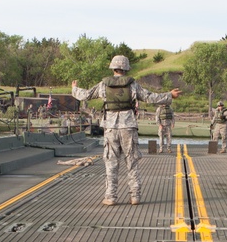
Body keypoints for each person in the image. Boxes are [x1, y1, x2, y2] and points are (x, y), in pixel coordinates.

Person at [72, 55, 181, 206]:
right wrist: (170, 95)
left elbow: (85, 95)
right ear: (126, 68)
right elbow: (150, 97)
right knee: (132, 161)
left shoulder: (103, 85)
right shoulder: (133, 85)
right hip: (128, 126)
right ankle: (135, 196)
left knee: (111, 162)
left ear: (113, 68)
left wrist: (74, 88)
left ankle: (110, 197)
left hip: (110, 127)